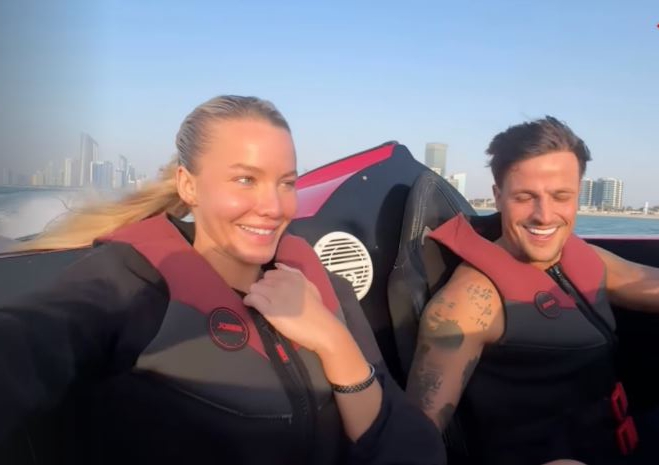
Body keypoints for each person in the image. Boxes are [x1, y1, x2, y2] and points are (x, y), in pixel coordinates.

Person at [0, 95, 445, 465]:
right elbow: (28, 343)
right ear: (188, 186)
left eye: (286, 183)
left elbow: (417, 452)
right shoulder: (134, 282)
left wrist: (332, 340)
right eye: (245, 180)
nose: (273, 206)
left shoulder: (321, 288)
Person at [405, 116, 659, 465]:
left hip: (622, 442)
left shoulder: (587, 259)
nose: (544, 216)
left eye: (561, 196)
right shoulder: (469, 304)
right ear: (498, 197)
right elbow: (416, 443)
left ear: (577, 194)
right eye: (524, 197)